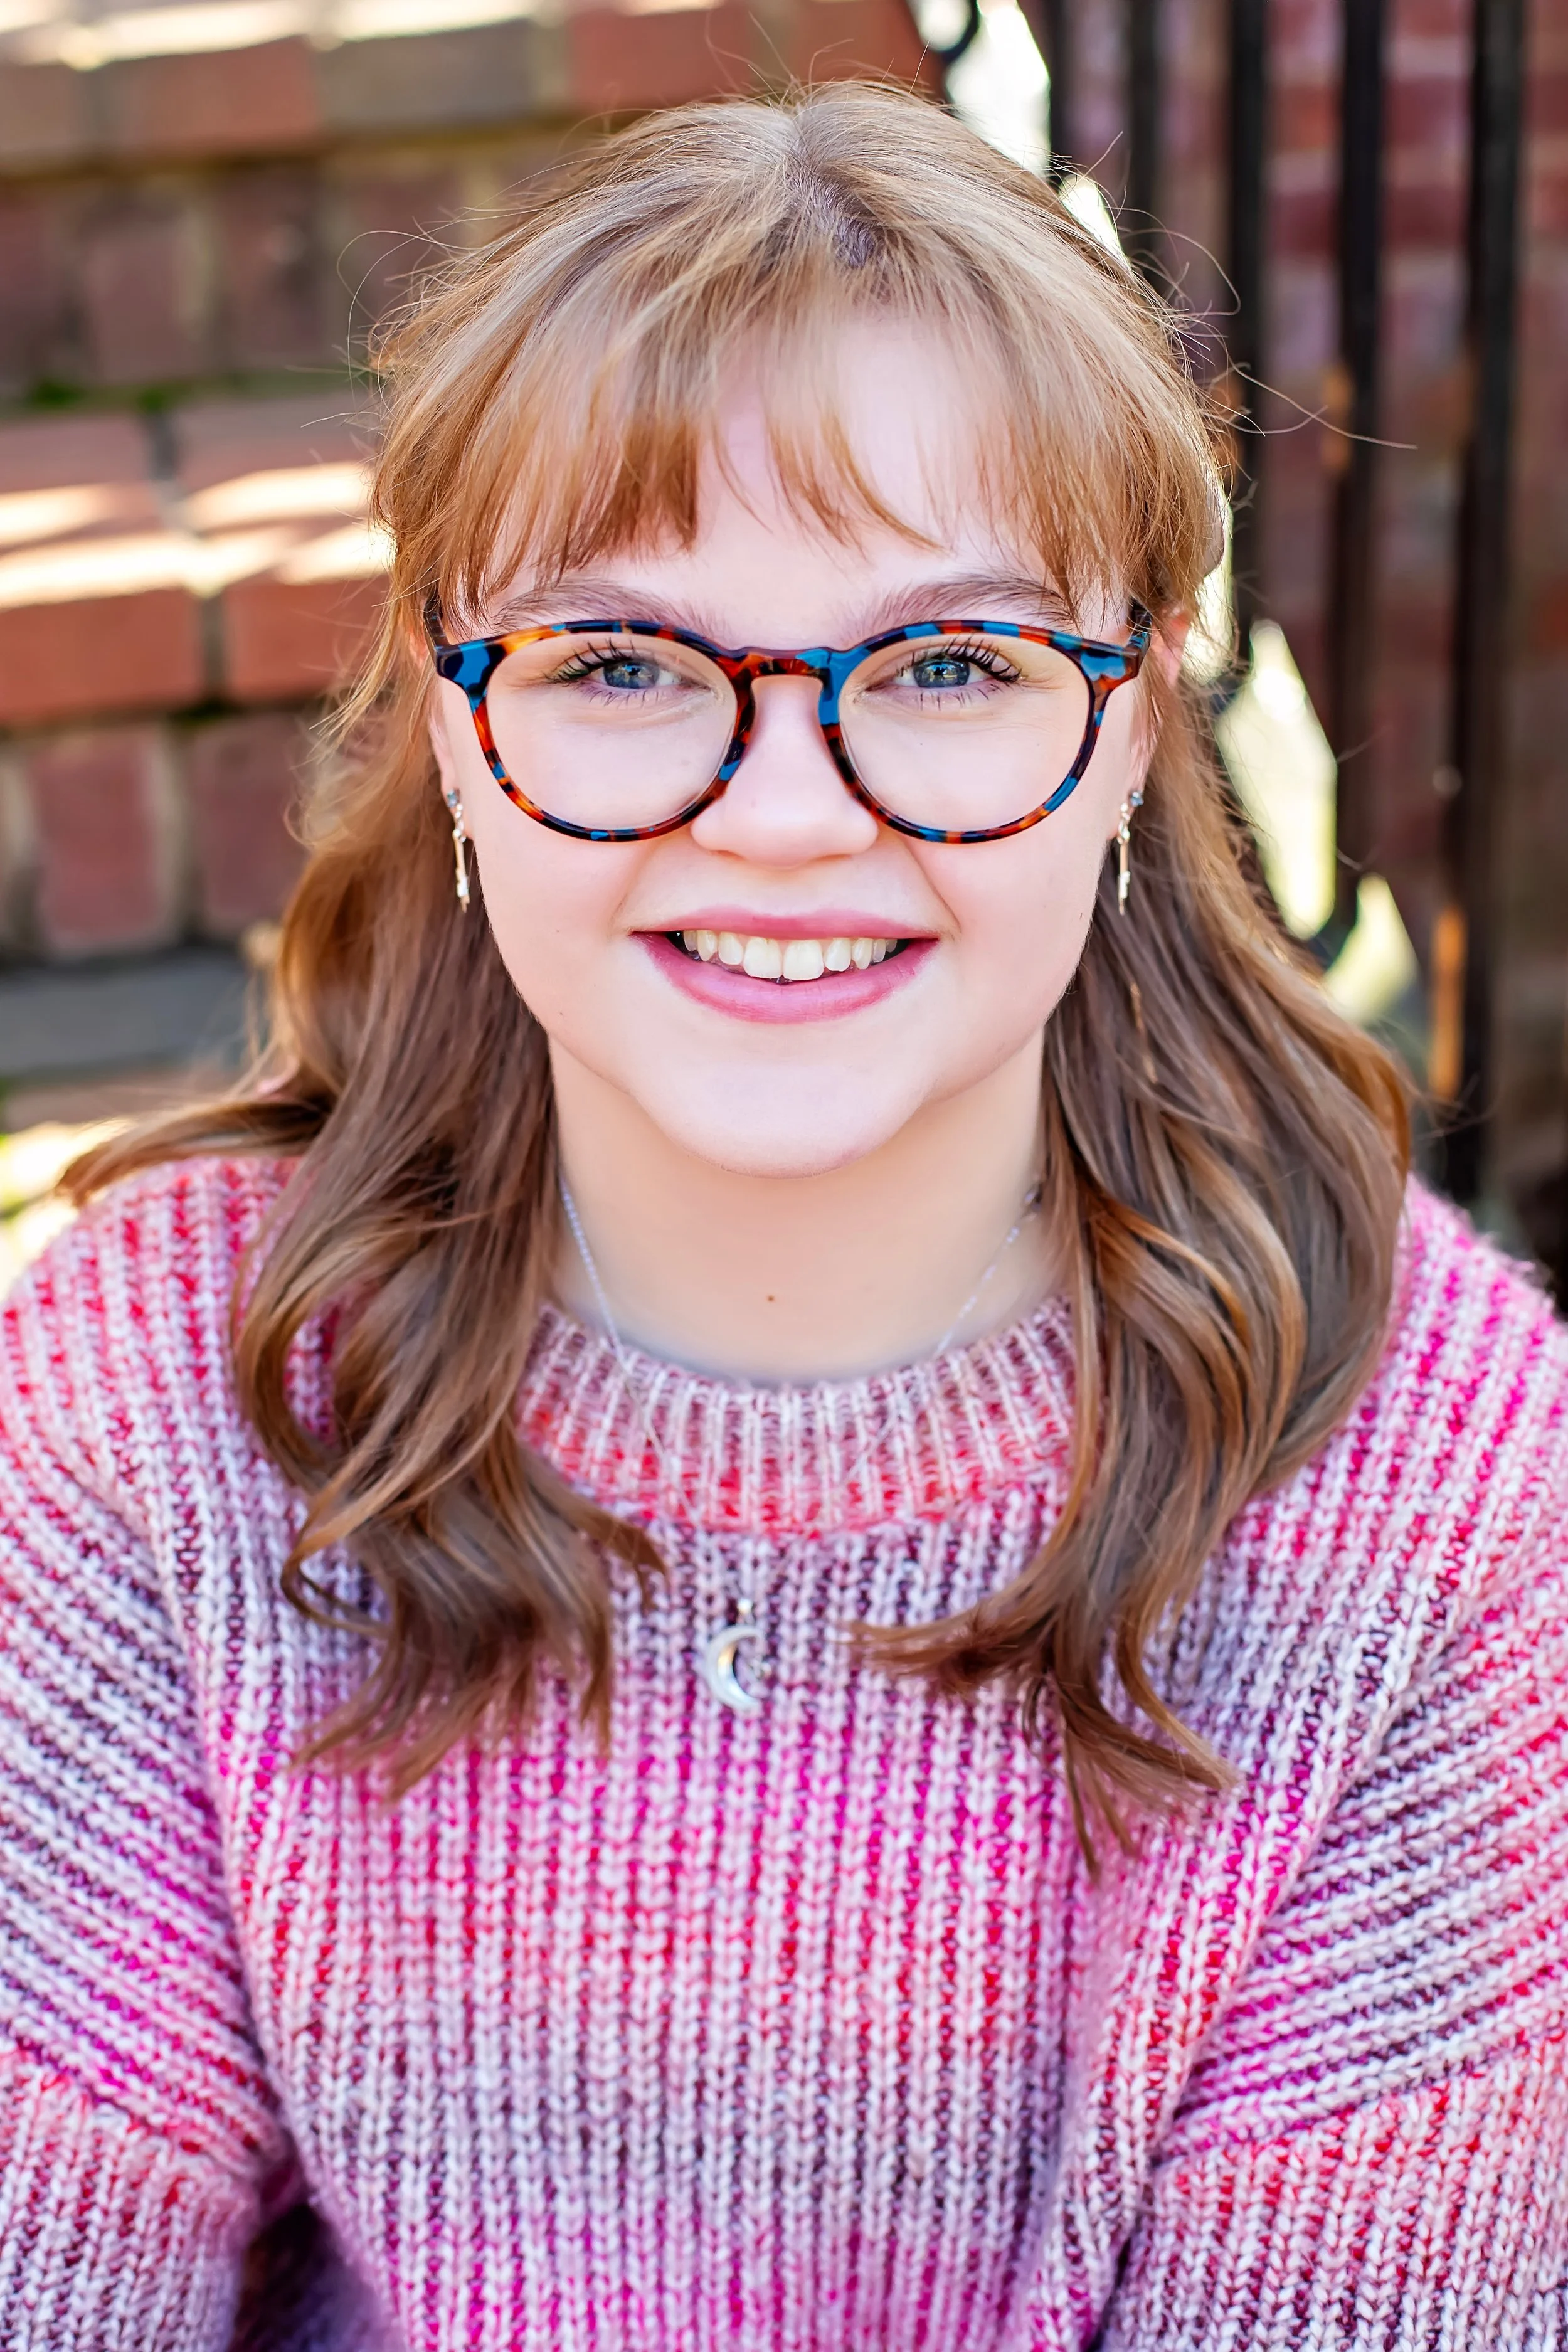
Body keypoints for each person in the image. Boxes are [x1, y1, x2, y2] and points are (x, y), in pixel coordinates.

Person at [0, 81, 1563, 2352]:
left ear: (1130, 735)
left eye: (945, 669)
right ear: (451, 723)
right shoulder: (161, 1380)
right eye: (622, 668)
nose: (784, 813)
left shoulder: (1426, 1464)